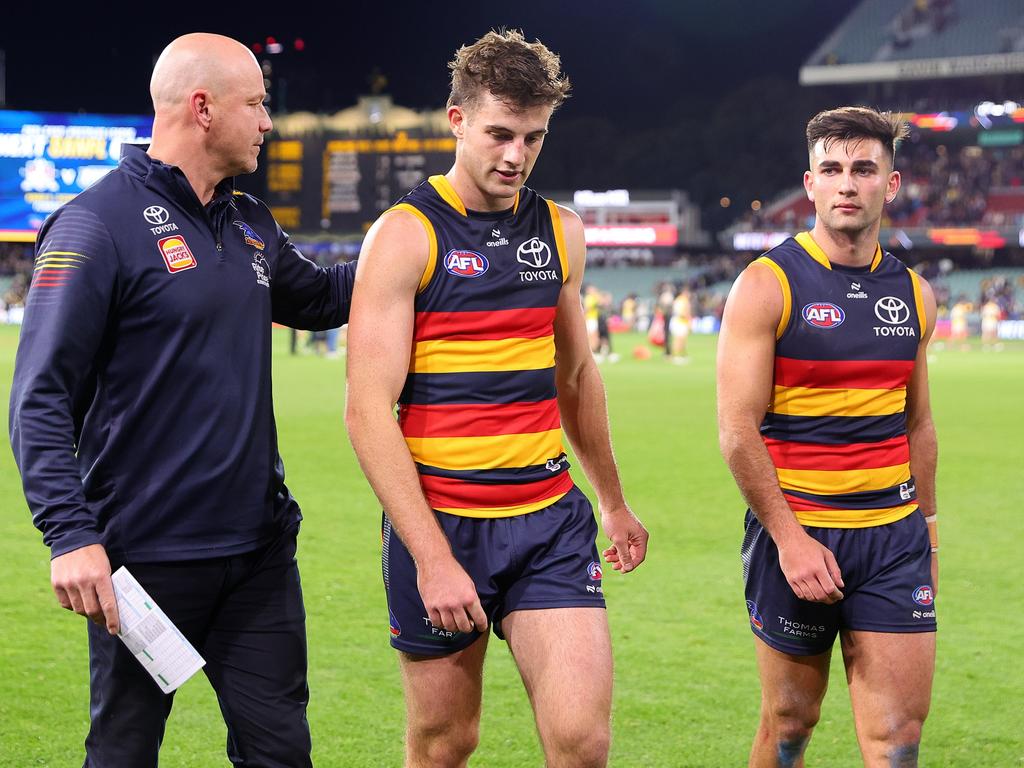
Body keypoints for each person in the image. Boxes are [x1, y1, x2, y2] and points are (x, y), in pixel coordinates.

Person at [9, 33, 356, 768]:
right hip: (144, 561)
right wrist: (70, 536)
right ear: (203, 108)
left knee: (282, 754)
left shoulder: (249, 222)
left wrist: (421, 231)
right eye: (258, 104)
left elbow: (326, 297)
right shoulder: (94, 225)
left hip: (258, 556)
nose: (268, 121)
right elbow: (40, 397)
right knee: (125, 753)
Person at [345, 29, 649, 768]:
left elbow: (576, 377)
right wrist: (431, 557)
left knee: (582, 742)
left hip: (548, 523)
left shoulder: (560, 233)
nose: (516, 155)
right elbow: (365, 410)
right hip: (443, 523)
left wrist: (611, 498)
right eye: (500, 134)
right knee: (447, 742)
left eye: (534, 137)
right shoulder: (405, 236)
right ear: (457, 121)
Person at [717, 107, 939, 768]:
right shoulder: (766, 285)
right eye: (832, 170)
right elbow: (736, 432)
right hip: (799, 533)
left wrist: (927, 529)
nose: (847, 183)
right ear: (809, 185)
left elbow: (918, 422)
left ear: (890, 185)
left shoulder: (915, 295)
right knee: (790, 721)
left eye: (863, 169)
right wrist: (790, 540)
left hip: (893, 537)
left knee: (898, 737)